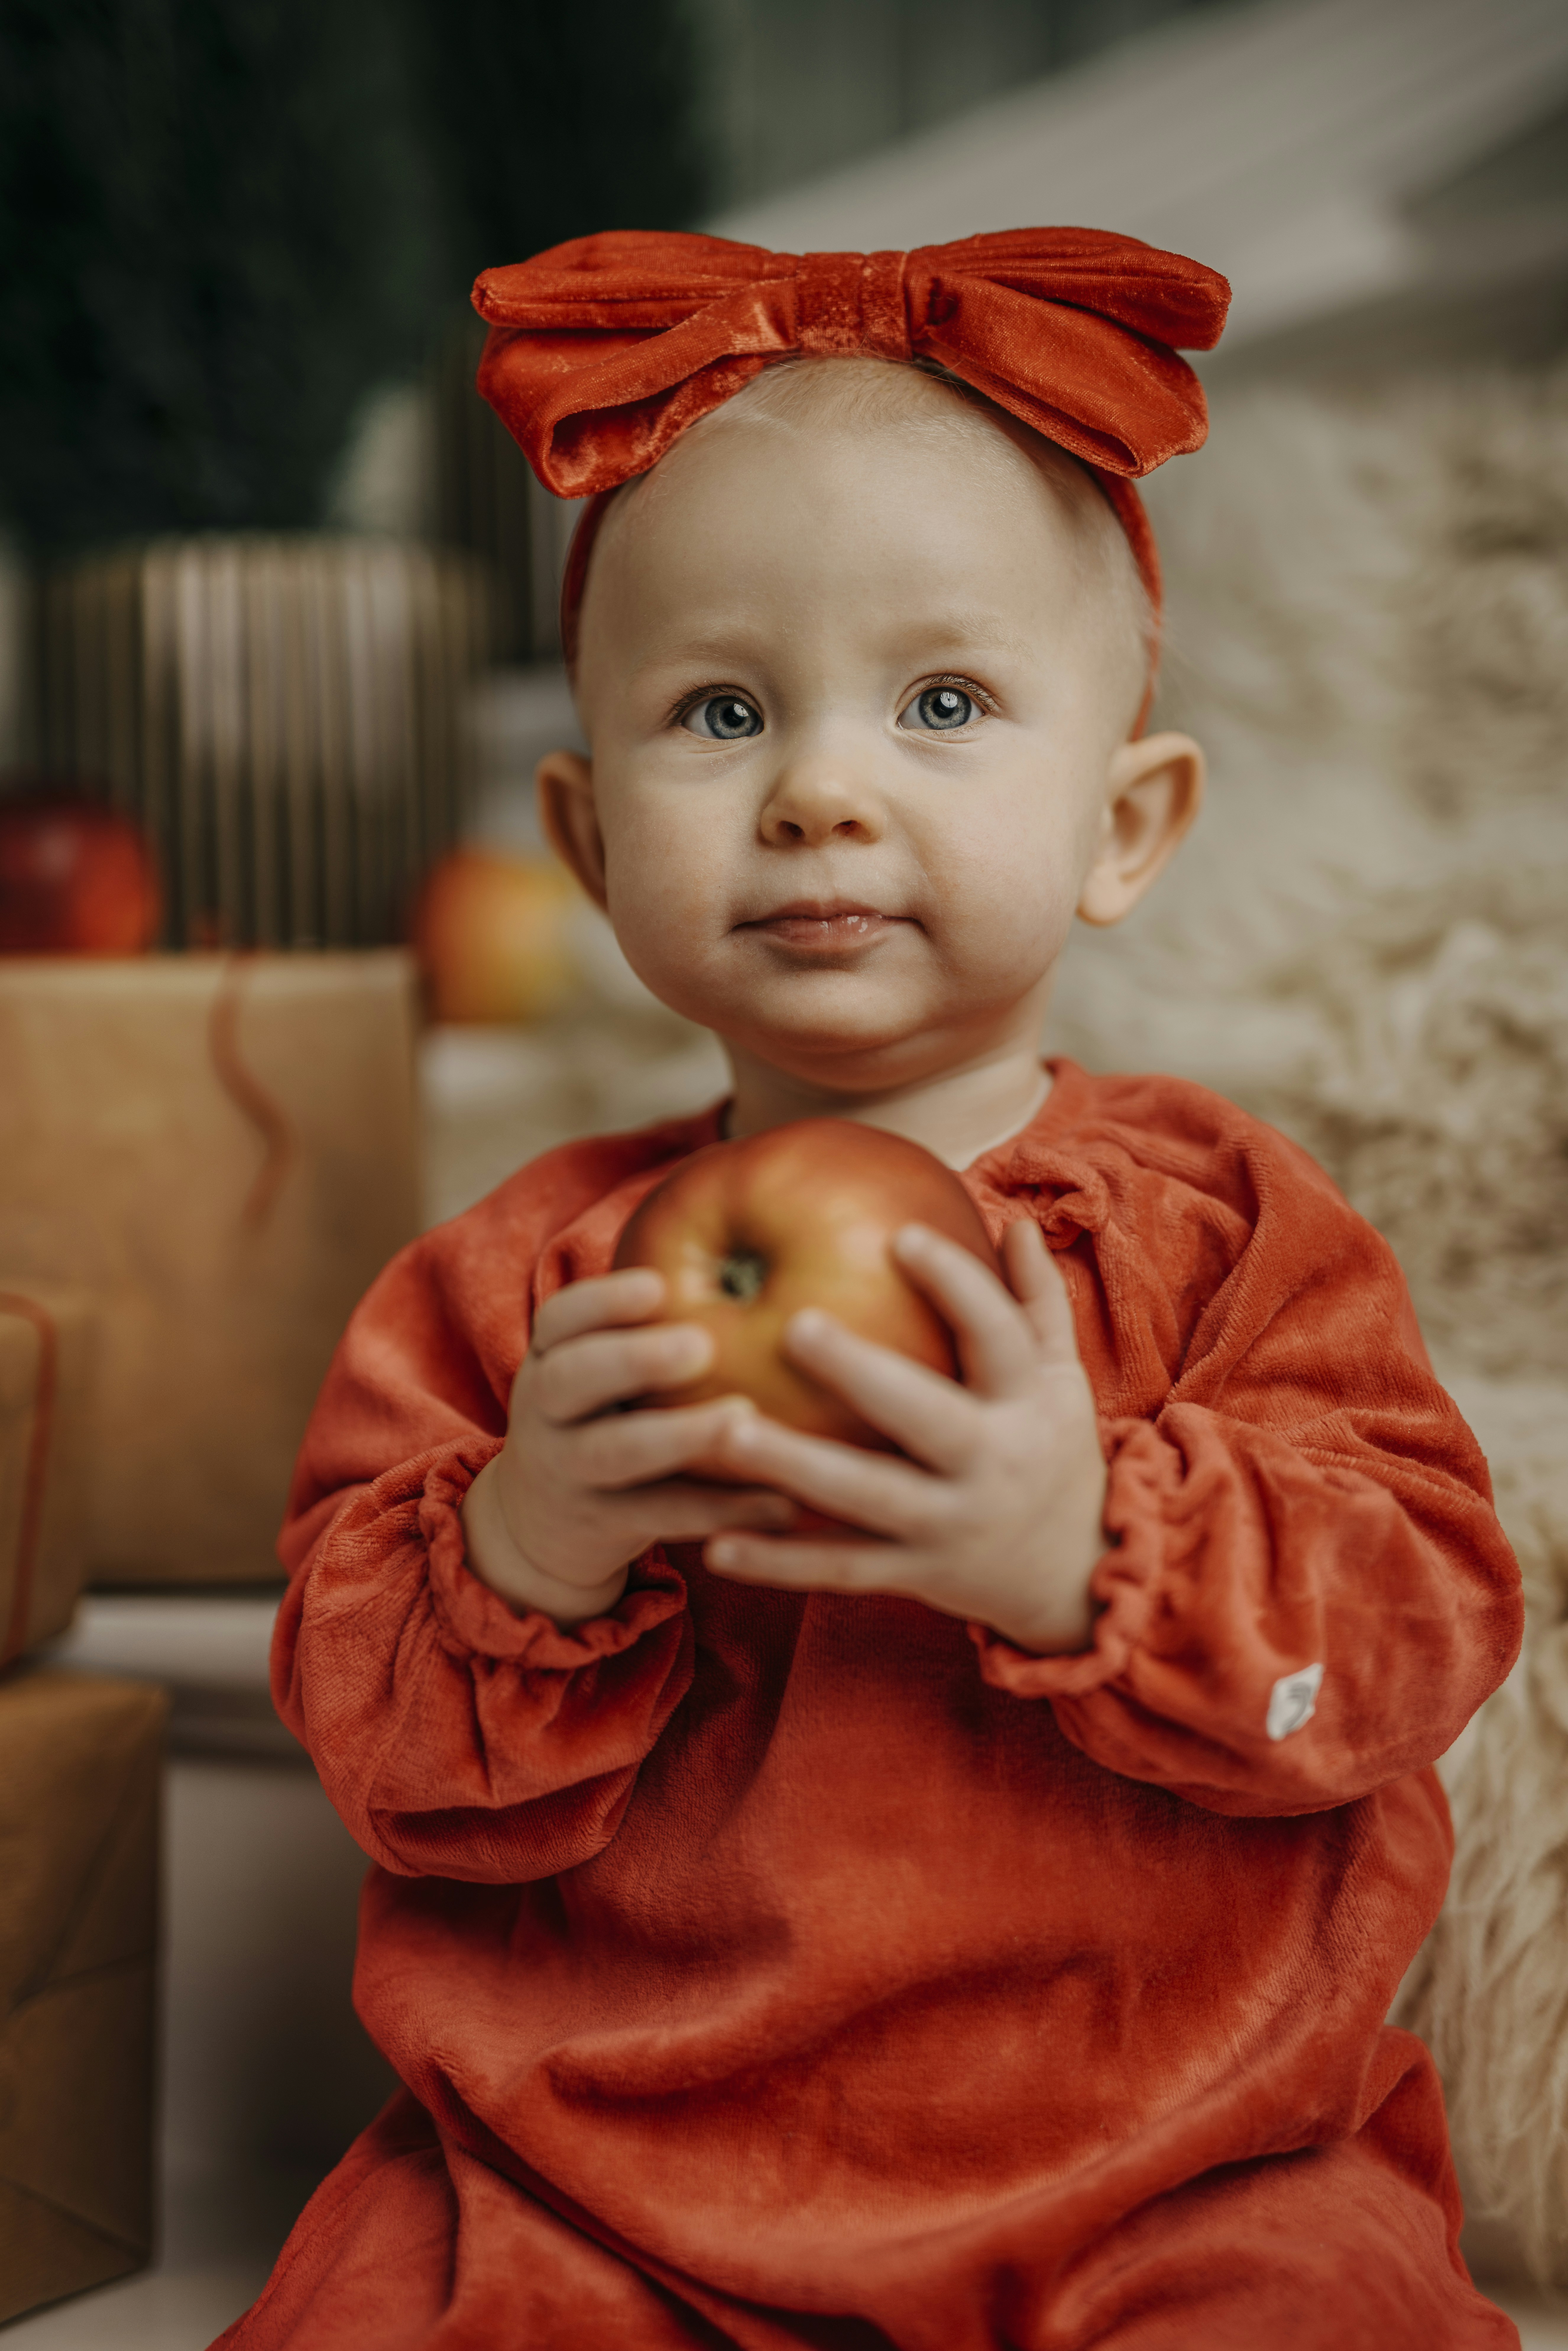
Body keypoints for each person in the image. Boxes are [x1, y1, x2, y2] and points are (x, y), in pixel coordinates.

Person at [217, 231, 1522, 2350]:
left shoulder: (1221, 1226)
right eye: (720, 710)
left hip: (1162, 2166)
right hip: (608, 2176)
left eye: (940, 703)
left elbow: (1418, 1627)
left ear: (1126, 825)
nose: (820, 789)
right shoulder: (513, 1291)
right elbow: (379, 1753)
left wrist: (1086, 1542)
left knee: (1309, 2310)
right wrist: (527, 1543)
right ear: (584, 839)